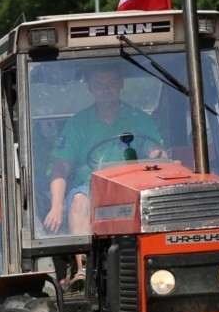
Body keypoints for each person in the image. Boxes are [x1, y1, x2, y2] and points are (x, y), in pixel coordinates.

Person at [42, 62, 164, 287]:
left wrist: (162, 157)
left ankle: (154, 263)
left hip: (131, 187)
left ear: (120, 85)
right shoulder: (78, 124)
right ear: (91, 88)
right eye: (99, 84)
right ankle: (83, 270)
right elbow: (61, 167)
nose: (105, 89)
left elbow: (156, 152)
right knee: (79, 201)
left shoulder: (139, 119)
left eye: (111, 83)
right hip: (90, 188)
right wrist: (56, 206)